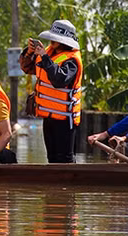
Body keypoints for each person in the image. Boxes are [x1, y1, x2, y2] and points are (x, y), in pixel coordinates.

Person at [20, 19, 83, 163]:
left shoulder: (72, 60)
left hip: (65, 120)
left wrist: (44, 57)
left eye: (55, 39)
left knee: (64, 159)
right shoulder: (48, 52)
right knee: (52, 158)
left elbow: (59, 80)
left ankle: (69, 184)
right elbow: (27, 68)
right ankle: (55, 186)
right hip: (49, 117)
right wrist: (29, 53)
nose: (51, 42)